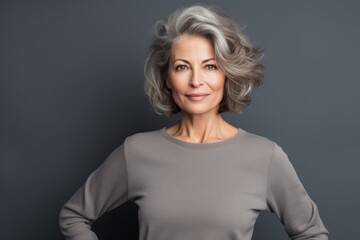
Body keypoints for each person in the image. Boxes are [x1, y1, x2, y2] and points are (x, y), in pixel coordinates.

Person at [58, 5, 329, 240]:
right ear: (167, 78)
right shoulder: (137, 151)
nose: (196, 80)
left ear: (227, 74)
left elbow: (311, 233)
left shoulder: (265, 156)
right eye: (182, 66)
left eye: (210, 66)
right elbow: (73, 216)